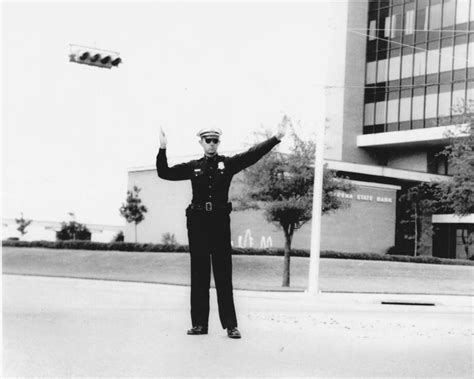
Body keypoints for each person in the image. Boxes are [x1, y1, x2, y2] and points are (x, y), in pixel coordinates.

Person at [156, 117, 288, 339]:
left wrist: (276, 138)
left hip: (218, 223)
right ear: (201, 142)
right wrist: (162, 148)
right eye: (208, 140)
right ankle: (199, 324)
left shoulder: (227, 164)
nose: (211, 144)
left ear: (219, 143)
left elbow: (251, 155)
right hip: (197, 222)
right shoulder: (193, 167)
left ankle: (230, 325)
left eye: (215, 141)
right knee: (199, 273)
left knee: (223, 273)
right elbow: (164, 172)